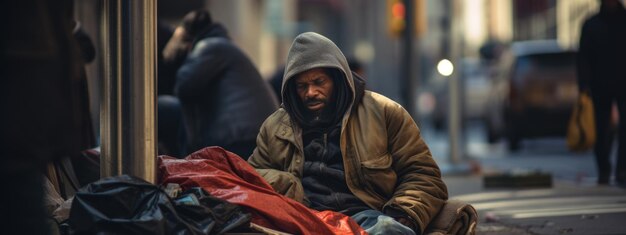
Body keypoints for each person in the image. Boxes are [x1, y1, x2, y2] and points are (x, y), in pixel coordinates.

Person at [248, 32, 448, 234]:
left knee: (389, 229)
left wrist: (403, 215)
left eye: (319, 82)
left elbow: (422, 174)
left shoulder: (384, 112)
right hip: (303, 221)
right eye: (302, 86)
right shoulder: (274, 127)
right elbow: (250, 179)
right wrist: (287, 185)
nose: (310, 92)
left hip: (369, 219)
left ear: (338, 80)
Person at [163, 10, 278, 159]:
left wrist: (177, 56)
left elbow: (184, 84)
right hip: (252, 135)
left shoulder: (209, 47)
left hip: (239, 136)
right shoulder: (223, 47)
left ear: (189, 39)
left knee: (163, 108)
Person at [577, 0, 626, 186]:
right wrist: (584, 86)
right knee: (601, 130)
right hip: (599, 86)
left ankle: (622, 169)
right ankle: (604, 169)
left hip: (623, 85)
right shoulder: (591, 24)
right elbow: (583, 58)